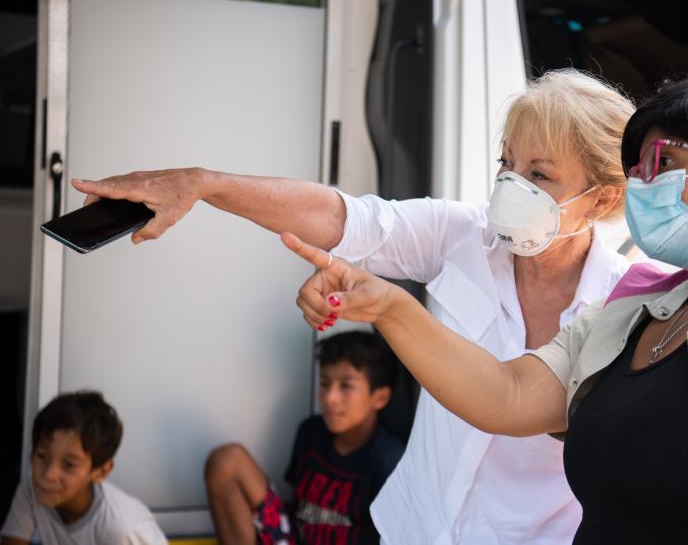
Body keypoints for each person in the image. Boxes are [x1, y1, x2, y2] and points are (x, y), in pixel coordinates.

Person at [72, 69, 635, 543]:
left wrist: (386, 306)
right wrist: (205, 185)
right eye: (506, 164)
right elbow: (348, 218)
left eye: (538, 175)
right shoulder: (465, 236)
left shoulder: (628, 300)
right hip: (416, 527)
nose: (511, 186)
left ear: (603, 199)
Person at [283, 69, 688, 545]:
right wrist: (389, 307)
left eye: (664, 162)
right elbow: (507, 394)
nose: (641, 185)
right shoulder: (636, 307)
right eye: (638, 168)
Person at [205, 331, 403, 545]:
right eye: (325, 383)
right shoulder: (311, 432)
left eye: (346, 386)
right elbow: (297, 506)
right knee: (226, 460)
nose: (330, 397)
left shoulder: (388, 459)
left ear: (380, 398)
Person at [0, 391, 167, 545]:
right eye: (42, 456)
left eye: (69, 465)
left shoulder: (122, 529)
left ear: (102, 471)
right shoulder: (33, 489)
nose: (49, 474)